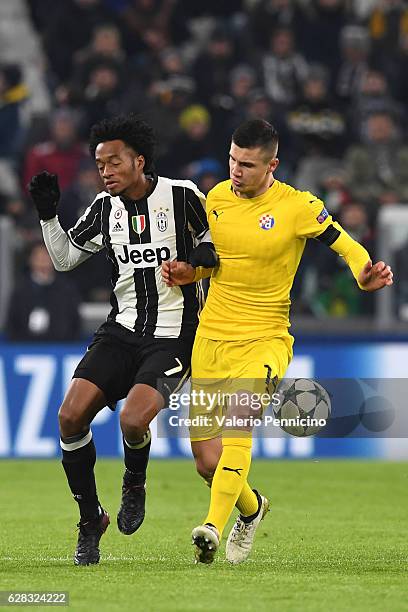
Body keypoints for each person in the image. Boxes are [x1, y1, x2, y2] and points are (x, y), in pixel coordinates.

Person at [162, 118, 393, 565]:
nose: (235, 170)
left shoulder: (298, 207)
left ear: (273, 164)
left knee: (238, 426)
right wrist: (190, 272)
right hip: (211, 336)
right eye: (232, 159)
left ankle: (211, 526)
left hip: (265, 338)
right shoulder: (216, 200)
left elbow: (347, 246)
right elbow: (218, 264)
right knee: (206, 461)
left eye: (247, 164)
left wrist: (363, 274)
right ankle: (252, 509)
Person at [28, 114, 217, 566]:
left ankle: (134, 483)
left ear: (139, 161)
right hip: (121, 330)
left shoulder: (183, 196)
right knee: (70, 416)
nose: (105, 171)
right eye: (99, 165)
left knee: (134, 420)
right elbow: (65, 259)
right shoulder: (104, 207)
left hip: (174, 335)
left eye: (114, 162)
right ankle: (90, 517)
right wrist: (48, 215)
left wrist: (194, 263)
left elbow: (216, 243)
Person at [6, 241, 81, 342]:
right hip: (26, 349)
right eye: (39, 258)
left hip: (60, 348)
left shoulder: (67, 289)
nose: (43, 263)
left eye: (47, 258)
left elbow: (74, 323)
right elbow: (12, 324)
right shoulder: (20, 290)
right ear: (30, 260)